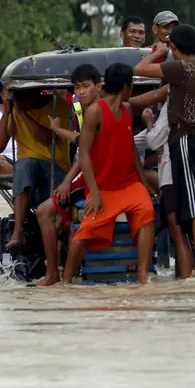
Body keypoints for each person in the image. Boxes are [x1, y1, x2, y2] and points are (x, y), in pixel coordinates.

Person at [58, 63, 157, 285]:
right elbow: (83, 155)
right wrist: (94, 191)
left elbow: (131, 147)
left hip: (129, 183)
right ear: (126, 86)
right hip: (102, 186)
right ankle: (65, 281)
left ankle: (142, 275)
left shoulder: (127, 109)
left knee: (147, 212)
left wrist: (143, 181)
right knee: (85, 231)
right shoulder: (95, 111)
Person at [134, 24, 195, 277]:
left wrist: (158, 52)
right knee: (193, 205)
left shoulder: (182, 68)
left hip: (186, 140)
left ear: (175, 47)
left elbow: (139, 69)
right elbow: (155, 95)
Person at [34, 64, 102, 286]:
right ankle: (56, 273)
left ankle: (58, 274)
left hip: (95, 176)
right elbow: (80, 144)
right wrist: (57, 130)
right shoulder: (89, 109)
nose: (81, 92)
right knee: (47, 214)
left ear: (97, 87)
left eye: (86, 87)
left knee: (45, 212)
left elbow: (83, 151)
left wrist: (65, 182)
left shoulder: (98, 110)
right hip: (84, 173)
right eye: (77, 88)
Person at [0, 84, 71, 250]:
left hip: (56, 172)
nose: (18, 99)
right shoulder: (14, 111)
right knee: (24, 164)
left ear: (35, 91)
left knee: (26, 164)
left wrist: (21, 113)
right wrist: (7, 112)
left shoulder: (59, 106)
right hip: (28, 177)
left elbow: (46, 139)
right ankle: (18, 231)